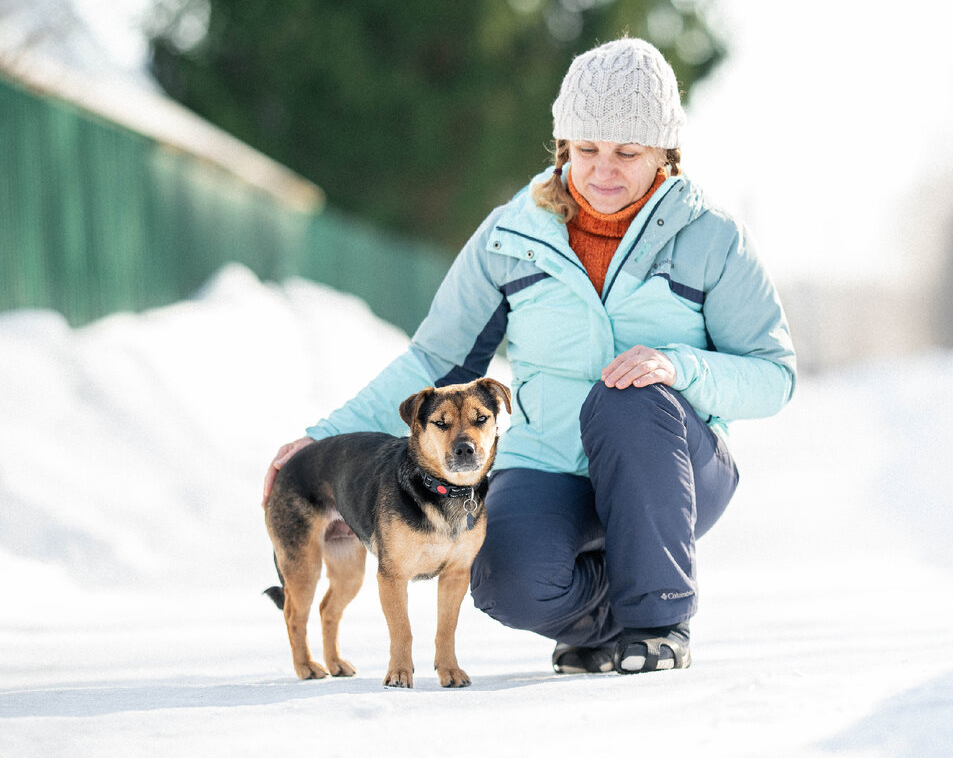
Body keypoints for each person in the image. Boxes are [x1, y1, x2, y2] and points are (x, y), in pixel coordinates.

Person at [262, 37, 796, 674]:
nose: (602, 170)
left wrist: (682, 368)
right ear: (563, 143)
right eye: (585, 149)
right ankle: (609, 624)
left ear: (664, 152)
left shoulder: (712, 238)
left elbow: (774, 374)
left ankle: (658, 625)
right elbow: (437, 361)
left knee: (630, 395)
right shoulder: (511, 236)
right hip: (551, 462)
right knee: (497, 571)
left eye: (627, 152)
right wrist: (319, 440)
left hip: (674, 464)